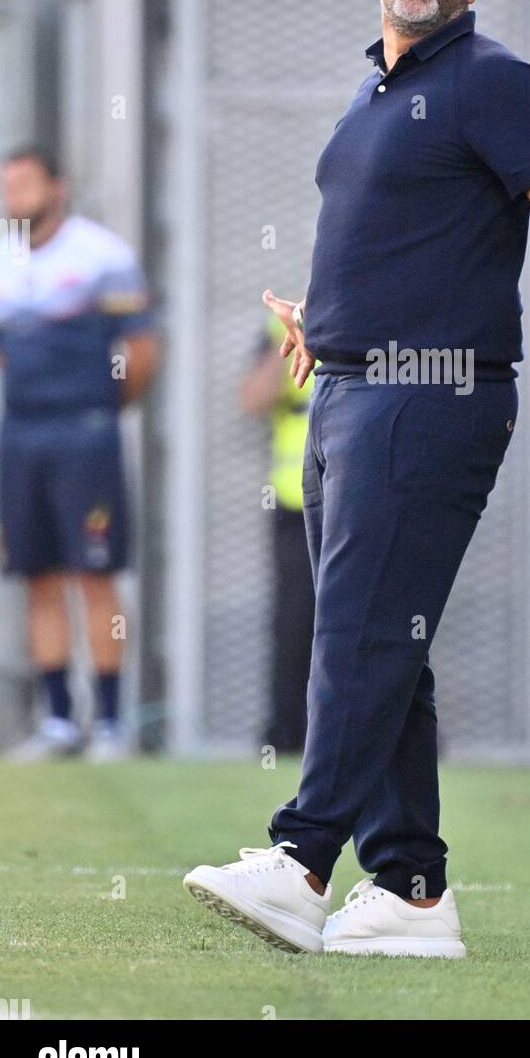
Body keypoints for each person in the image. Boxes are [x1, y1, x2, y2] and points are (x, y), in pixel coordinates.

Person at [184, 0, 530, 957]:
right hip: (347, 388)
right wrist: (325, 321)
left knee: (356, 632)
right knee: (392, 642)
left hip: (430, 394)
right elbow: (389, 233)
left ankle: (300, 863)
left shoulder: (491, 80)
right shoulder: (373, 95)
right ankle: (410, 891)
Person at [0, 147, 159, 760]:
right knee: (37, 575)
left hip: (85, 433)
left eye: (27, 185)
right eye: (8, 187)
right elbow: (4, 347)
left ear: (57, 188)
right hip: (22, 434)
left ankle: (111, 722)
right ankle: (59, 721)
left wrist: (101, 407)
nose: (15, 198)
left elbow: (139, 350)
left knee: (94, 572)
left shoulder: (102, 257)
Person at [240, 311, 315, 753]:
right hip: (299, 500)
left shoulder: (388, 312)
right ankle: (288, 739)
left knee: (389, 621)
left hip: (376, 497)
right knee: (295, 625)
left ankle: (394, 741)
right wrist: (292, 336)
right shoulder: (279, 328)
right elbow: (253, 398)